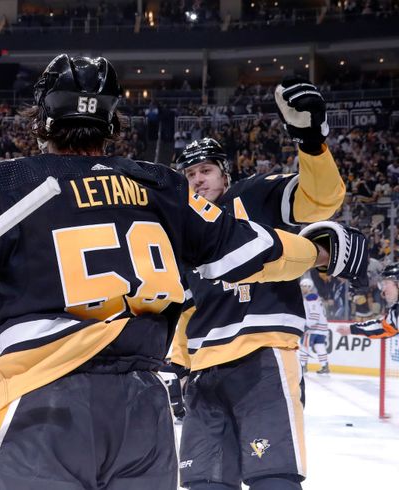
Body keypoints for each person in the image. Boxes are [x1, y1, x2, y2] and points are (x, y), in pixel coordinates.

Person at [0, 54, 366, 490]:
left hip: (44, 412)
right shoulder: (162, 186)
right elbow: (259, 254)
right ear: (113, 124)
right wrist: (319, 251)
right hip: (144, 416)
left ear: (42, 122)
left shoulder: (9, 181)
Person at [170, 77, 349, 490]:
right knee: (203, 483)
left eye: (206, 170)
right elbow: (185, 305)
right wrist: (177, 368)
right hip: (203, 374)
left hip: (263, 358)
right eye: (191, 173)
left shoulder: (253, 195)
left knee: (274, 478)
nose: (198, 180)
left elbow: (319, 200)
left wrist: (311, 142)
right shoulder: (182, 232)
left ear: (224, 174)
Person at [336, 263, 398, 339]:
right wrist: (351, 329)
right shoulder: (395, 311)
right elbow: (385, 327)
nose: (383, 290)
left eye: (386, 283)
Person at [300, 277, 331, 374]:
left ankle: (303, 366)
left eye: (304, 286)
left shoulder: (311, 297)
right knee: (319, 346)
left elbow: (314, 315)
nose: (302, 288)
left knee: (304, 346)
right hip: (322, 327)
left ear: (309, 287)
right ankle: (325, 366)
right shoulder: (315, 297)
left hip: (313, 328)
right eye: (302, 286)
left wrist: (307, 325)